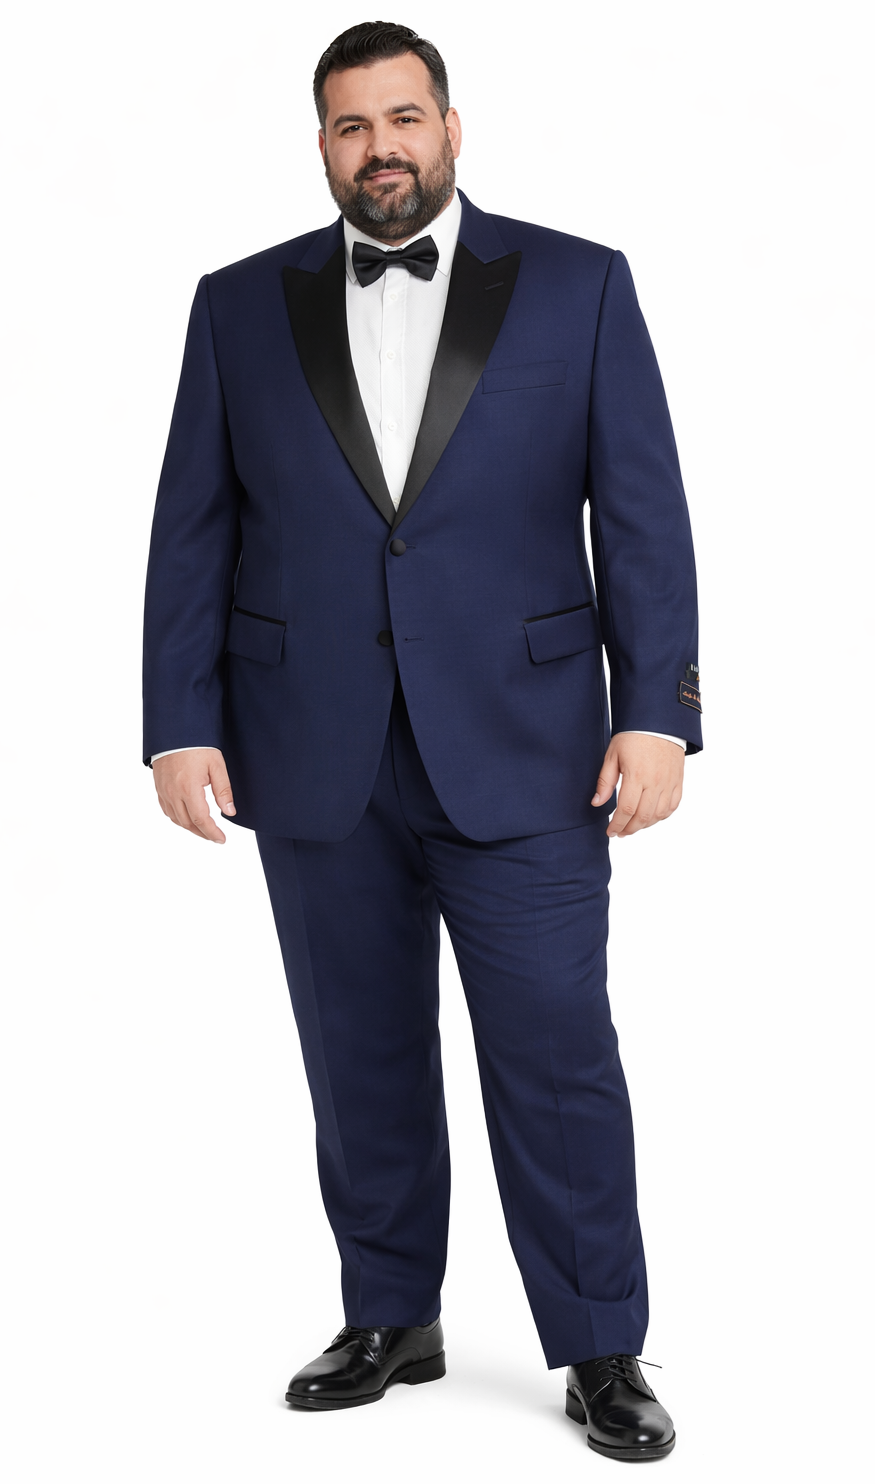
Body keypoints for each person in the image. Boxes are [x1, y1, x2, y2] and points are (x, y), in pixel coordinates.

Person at [143, 20, 702, 1463]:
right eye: (351, 126)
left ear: (452, 127)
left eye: (403, 118)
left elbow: (641, 511)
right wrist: (178, 722)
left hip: (526, 745)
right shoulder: (235, 305)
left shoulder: (579, 284)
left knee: (556, 1053)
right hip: (309, 744)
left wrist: (655, 709)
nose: (379, 147)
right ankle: (391, 1314)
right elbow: (193, 526)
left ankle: (600, 1342)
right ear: (322, 146)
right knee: (357, 1054)